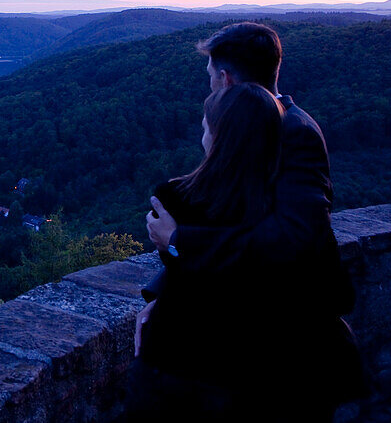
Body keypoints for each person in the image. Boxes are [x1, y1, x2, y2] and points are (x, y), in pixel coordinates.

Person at [134, 22, 365, 421]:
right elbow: (229, 217)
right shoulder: (246, 126)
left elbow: (292, 239)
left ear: (225, 78)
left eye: (210, 77)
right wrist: (165, 296)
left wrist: (179, 239)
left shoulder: (293, 132)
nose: (208, 88)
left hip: (279, 348)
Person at [130, 83, 287, 419]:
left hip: (175, 359)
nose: (201, 132)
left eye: (205, 126)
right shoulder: (281, 208)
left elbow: (186, 271)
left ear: (217, 137)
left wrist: (174, 247)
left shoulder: (174, 198)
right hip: (248, 365)